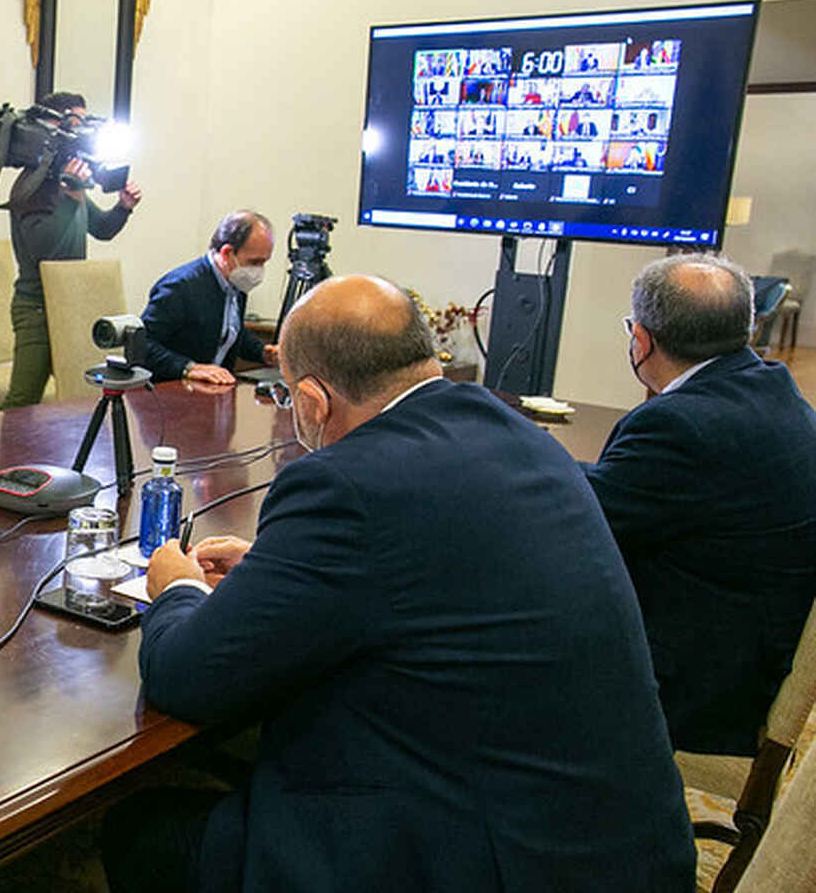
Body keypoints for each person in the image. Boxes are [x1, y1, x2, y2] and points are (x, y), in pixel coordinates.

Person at [105, 275, 694, 893]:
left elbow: (187, 678)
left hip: (488, 857)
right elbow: (429, 569)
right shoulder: (520, 436)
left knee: (141, 830)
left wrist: (175, 588)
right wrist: (278, 571)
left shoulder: (346, 484)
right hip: (615, 845)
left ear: (310, 400)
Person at [584, 254, 816, 756]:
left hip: (695, 692)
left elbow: (580, 523)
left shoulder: (679, 426)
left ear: (640, 339)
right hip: (751, 660)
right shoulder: (776, 392)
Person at [0, 91, 144, 408]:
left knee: (80, 395)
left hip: (70, 302)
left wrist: (122, 208)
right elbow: (44, 249)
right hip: (35, 306)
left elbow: (102, 229)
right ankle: (5, 459)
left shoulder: (71, 185)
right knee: (23, 399)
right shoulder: (32, 185)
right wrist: (71, 196)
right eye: (76, 125)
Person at [140, 210, 278, 385]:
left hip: (213, 393)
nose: (259, 271)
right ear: (227, 253)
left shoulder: (236, 282)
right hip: (169, 393)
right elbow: (142, 345)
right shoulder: (179, 287)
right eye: (254, 262)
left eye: (264, 262)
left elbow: (229, 330)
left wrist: (262, 352)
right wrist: (189, 367)